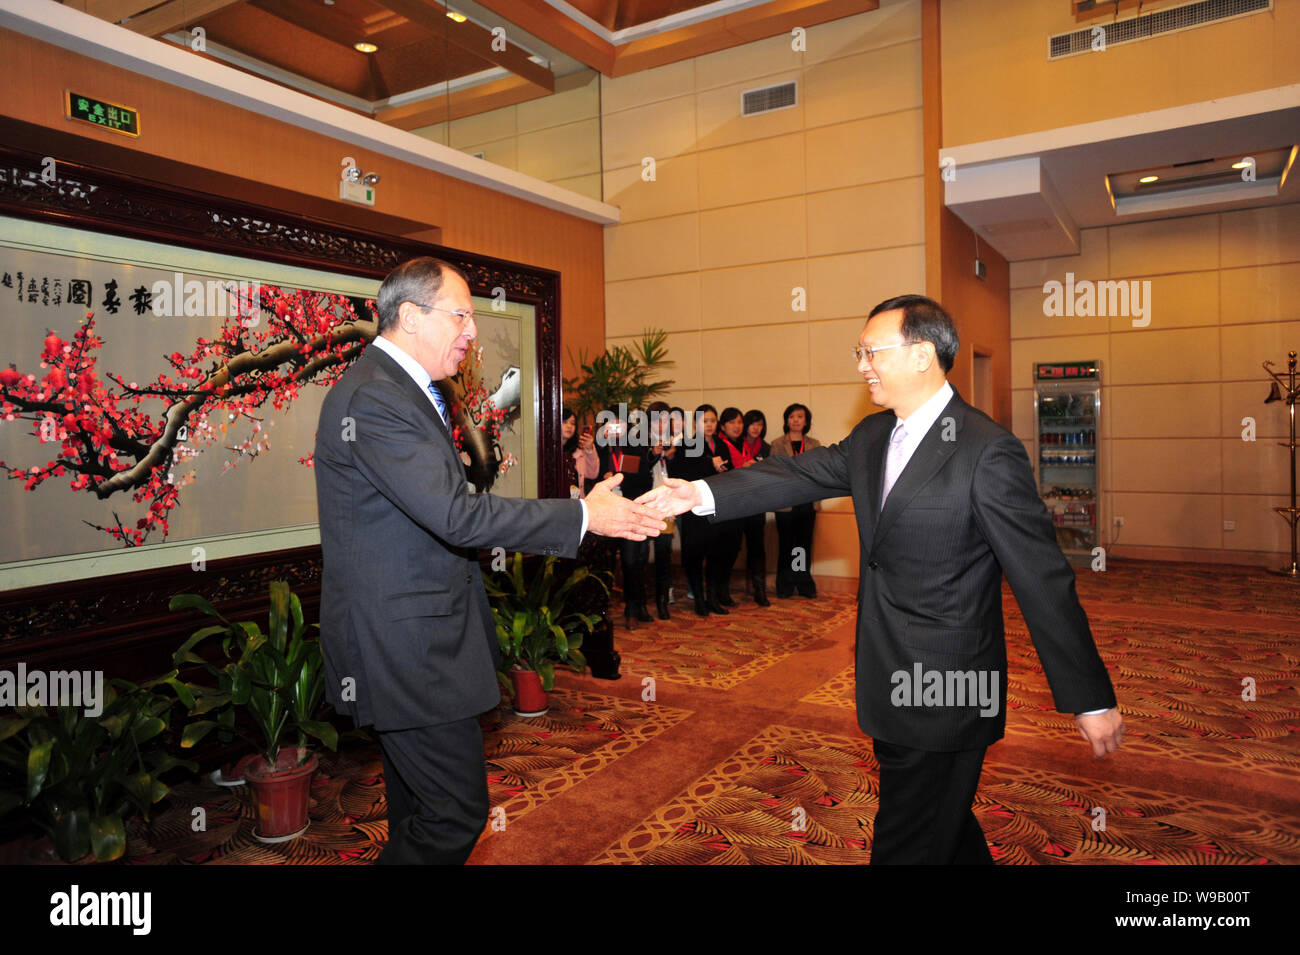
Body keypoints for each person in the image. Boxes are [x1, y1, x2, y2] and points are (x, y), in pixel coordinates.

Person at [639, 294, 1123, 865]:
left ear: (922, 355)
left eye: (872, 351)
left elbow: (1042, 579)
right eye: (859, 351)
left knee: (907, 840)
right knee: (942, 824)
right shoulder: (872, 437)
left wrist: (1088, 697)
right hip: (885, 671)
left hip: (949, 689)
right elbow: (795, 474)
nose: (862, 364)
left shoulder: (985, 451)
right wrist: (700, 493)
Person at [313, 257, 664, 865]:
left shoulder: (400, 390)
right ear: (411, 316)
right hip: (405, 648)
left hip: (412, 638)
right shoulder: (376, 398)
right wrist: (582, 516)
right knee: (454, 811)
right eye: (462, 315)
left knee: (419, 811)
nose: (472, 331)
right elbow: (456, 515)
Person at [668, 403, 731, 616]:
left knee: (717, 553)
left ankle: (712, 598)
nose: (710, 424)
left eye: (713, 420)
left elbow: (728, 470)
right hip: (694, 508)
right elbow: (681, 472)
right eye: (705, 421)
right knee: (695, 554)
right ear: (696, 423)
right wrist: (709, 465)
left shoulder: (722, 444)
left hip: (717, 506)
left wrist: (722, 468)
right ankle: (698, 600)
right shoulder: (687, 444)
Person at [769, 403, 820, 599]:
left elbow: (819, 471)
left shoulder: (815, 444)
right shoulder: (777, 444)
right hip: (786, 502)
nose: (796, 420)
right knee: (786, 545)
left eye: (800, 416)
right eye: (792, 416)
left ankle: (803, 581)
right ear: (786, 420)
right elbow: (774, 472)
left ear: (806, 421)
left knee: (803, 545)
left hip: (807, 501)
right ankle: (785, 583)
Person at [709, 407, 746, 608]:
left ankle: (723, 591)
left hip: (739, 504)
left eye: (739, 422)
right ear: (723, 426)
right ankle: (714, 594)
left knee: (732, 549)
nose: (737, 426)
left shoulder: (741, 444)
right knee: (719, 551)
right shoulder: (721, 445)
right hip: (722, 504)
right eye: (732, 422)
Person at [738, 409, 771, 606]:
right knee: (731, 547)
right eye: (752, 423)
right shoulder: (735, 445)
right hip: (737, 503)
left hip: (757, 503)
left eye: (759, 424)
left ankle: (760, 589)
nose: (756, 428)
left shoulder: (766, 448)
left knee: (757, 548)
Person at [561, 406, 598, 498]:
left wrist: (589, 449)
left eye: (573, 423)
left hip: (577, 502)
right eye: (565, 422)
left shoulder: (578, 451)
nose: (569, 426)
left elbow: (592, 474)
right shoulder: (547, 451)